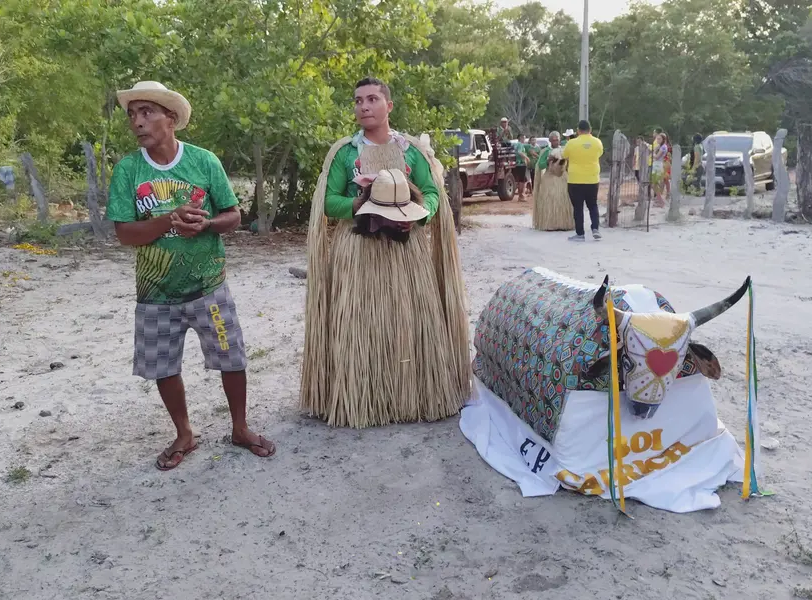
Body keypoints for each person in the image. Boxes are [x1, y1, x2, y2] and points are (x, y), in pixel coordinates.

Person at [106, 81, 275, 470]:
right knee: (164, 366)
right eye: (132, 114)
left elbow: (233, 216)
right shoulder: (128, 171)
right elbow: (124, 233)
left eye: (147, 112)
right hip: (155, 291)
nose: (138, 121)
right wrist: (167, 219)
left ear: (171, 118)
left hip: (208, 285)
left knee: (231, 356)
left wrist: (206, 224)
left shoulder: (203, 162)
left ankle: (240, 427)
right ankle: (184, 432)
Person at [301, 77, 470, 429]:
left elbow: (431, 192)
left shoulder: (411, 151)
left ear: (388, 106)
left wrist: (420, 212)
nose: (364, 106)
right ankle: (364, 401)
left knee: (410, 321)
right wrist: (360, 204)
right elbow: (330, 202)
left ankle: (414, 397)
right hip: (358, 252)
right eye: (358, 100)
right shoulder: (345, 152)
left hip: (407, 254)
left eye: (373, 99)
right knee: (361, 325)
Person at [562, 120, 604, 242]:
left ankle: (580, 234)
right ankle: (595, 228)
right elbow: (599, 154)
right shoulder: (597, 142)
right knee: (593, 205)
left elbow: (565, 155)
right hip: (592, 178)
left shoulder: (571, 143)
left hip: (575, 179)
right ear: (590, 130)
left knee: (578, 207)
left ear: (578, 130)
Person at [651, 132, 671, 208]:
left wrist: (653, 153)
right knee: (654, 184)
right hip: (656, 164)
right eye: (657, 138)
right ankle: (659, 200)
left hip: (658, 165)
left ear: (663, 139)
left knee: (654, 184)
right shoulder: (660, 146)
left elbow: (656, 157)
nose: (658, 140)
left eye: (659, 139)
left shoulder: (663, 147)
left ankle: (661, 201)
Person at [512, 134, 530, 201]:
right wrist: (526, 158)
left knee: (523, 180)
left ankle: (522, 194)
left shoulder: (516, 144)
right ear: (520, 138)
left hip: (518, 164)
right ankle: (521, 196)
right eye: (523, 138)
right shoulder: (520, 145)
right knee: (521, 181)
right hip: (521, 164)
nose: (524, 140)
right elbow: (519, 152)